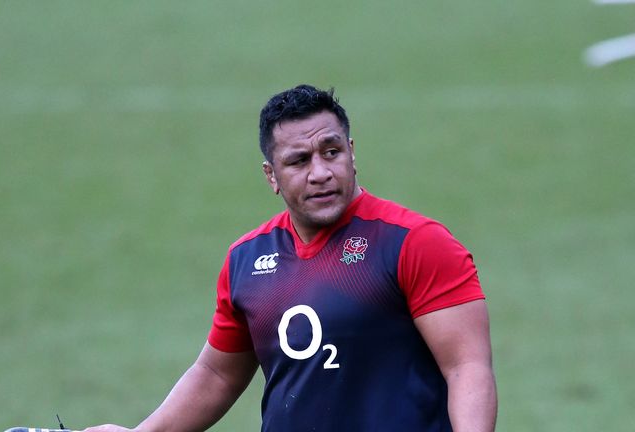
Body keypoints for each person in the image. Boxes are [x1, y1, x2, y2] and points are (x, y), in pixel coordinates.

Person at [84, 85, 497, 432]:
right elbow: (217, 374)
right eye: (299, 161)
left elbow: (466, 367)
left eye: (331, 152)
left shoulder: (415, 242)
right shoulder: (247, 259)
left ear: (352, 152)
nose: (320, 172)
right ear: (271, 176)